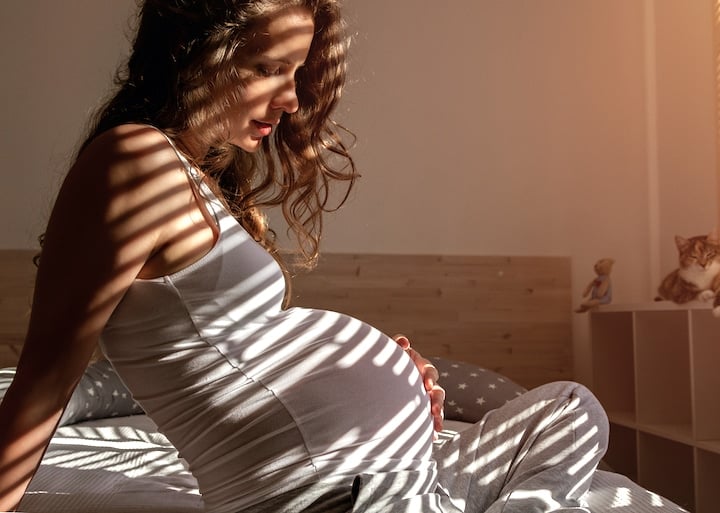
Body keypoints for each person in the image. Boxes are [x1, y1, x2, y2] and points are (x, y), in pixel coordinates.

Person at [0, 1, 609, 512]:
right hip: (333, 492)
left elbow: (253, 355)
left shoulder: (197, 176)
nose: (292, 99)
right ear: (195, 52)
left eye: (296, 72)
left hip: (396, 475)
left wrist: (390, 376)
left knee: (572, 409)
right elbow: (42, 387)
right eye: (269, 68)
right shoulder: (134, 161)